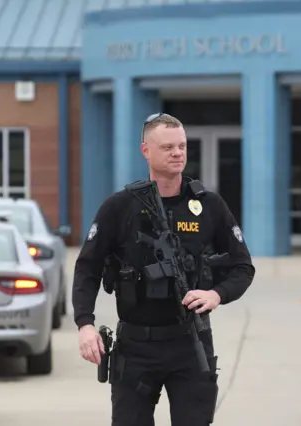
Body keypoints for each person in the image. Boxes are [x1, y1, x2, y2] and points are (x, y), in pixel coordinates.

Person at [72, 112, 255, 426]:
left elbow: (242, 267)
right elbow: (87, 268)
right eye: (168, 147)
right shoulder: (120, 207)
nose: (177, 153)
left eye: (182, 146)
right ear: (146, 151)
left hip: (191, 343)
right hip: (136, 346)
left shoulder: (208, 205)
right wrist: (84, 324)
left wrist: (216, 294)